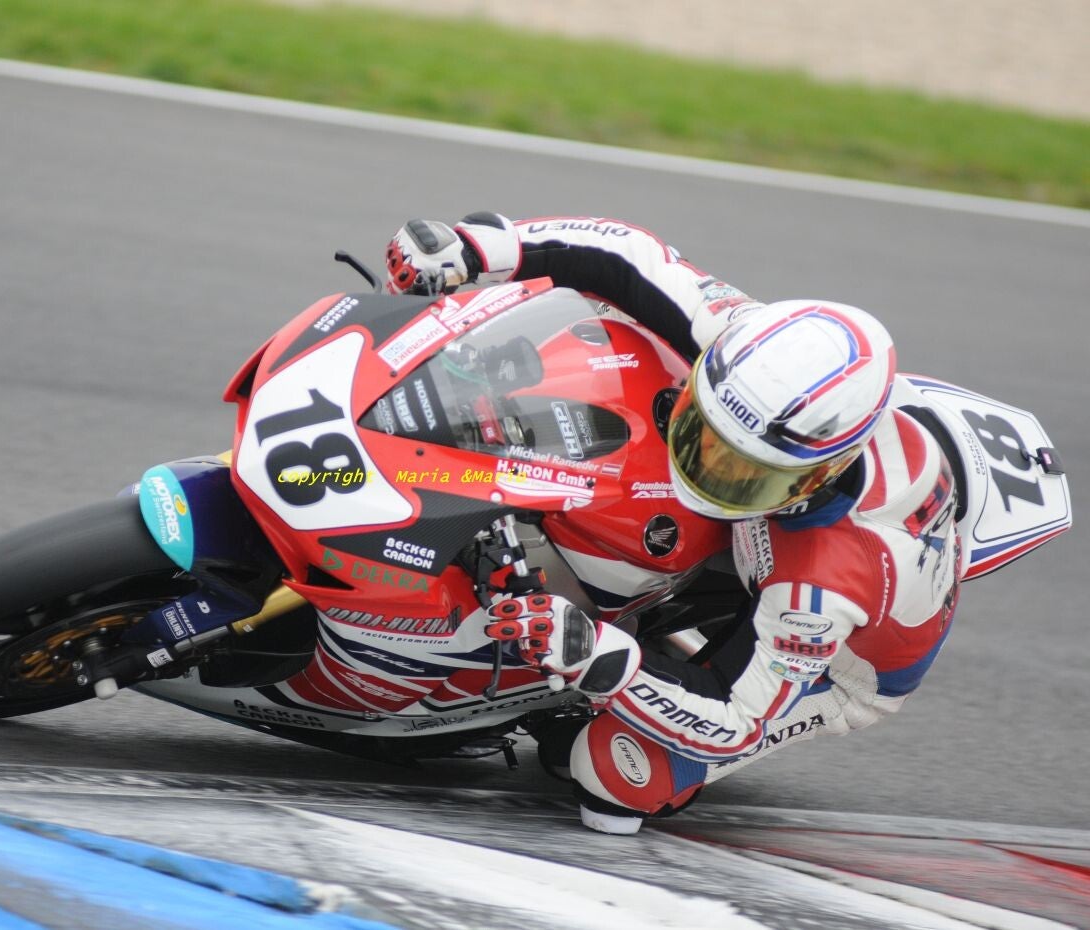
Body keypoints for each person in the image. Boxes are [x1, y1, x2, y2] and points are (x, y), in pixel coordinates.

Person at [383, 213, 961, 835]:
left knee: (610, 778)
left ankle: (585, 692)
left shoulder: (817, 596)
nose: (705, 469)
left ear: (821, 473)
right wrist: (482, 246)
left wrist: (591, 654)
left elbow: (736, 719)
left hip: (826, 663)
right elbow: (630, 258)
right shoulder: (748, 354)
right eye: (704, 431)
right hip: (760, 531)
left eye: (744, 471)